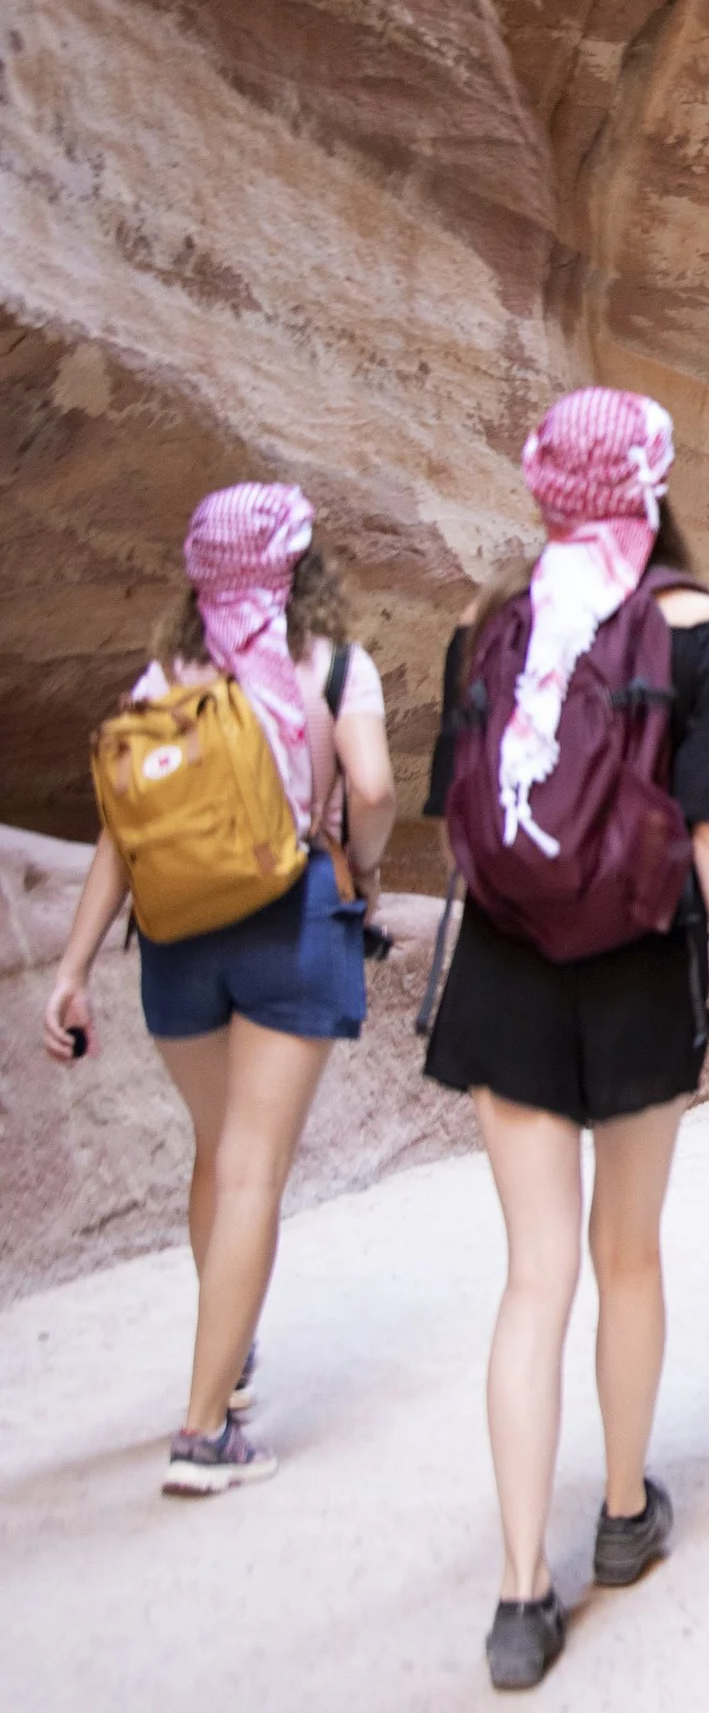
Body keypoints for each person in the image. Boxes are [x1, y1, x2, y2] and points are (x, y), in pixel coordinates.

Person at [422, 389, 709, 1691]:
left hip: (508, 979)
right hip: (635, 978)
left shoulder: (489, 629)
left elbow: (460, 816)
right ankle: (622, 1512)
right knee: (627, 1255)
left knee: (534, 1277)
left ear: (545, 493)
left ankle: (521, 1595)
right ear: (654, 481)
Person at [42, 482, 397, 1496]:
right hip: (291, 928)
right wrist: (359, 870)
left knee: (217, 1152)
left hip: (176, 944)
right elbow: (370, 791)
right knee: (252, 1169)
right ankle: (205, 1433)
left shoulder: (165, 675)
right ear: (298, 570)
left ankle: (226, 1351)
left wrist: (71, 972)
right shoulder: (334, 667)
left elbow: (123, 831)